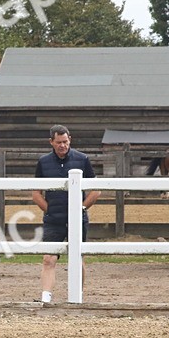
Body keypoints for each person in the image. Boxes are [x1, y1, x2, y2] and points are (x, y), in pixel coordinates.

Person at [31, 125, 99, 304]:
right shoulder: (43, 162)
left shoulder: (82, 159)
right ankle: (46, 298)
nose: (63, 145)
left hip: (78, 220)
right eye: (59, 142)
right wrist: (49, 209)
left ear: (70, 139)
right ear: (51, 142)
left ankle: (78, 296)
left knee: (78, 257)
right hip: (53, 221)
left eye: (66, 142)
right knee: (48, 258)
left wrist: (81, 208)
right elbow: (36, 193)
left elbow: (96, 190)